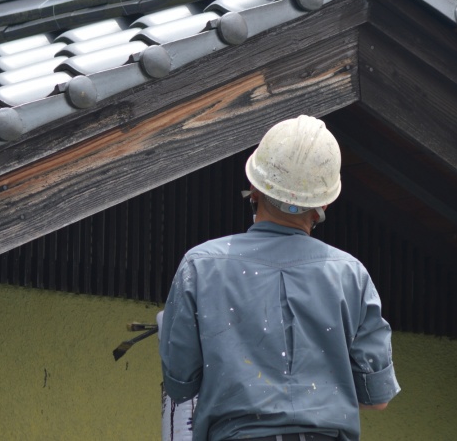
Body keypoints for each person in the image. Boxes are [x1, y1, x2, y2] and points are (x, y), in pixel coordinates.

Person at [158, 115, 399, 441]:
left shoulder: (200, 266)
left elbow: (180, 385)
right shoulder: (350, 275)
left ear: (255, 189)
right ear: (324, 203)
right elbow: (376, 397)